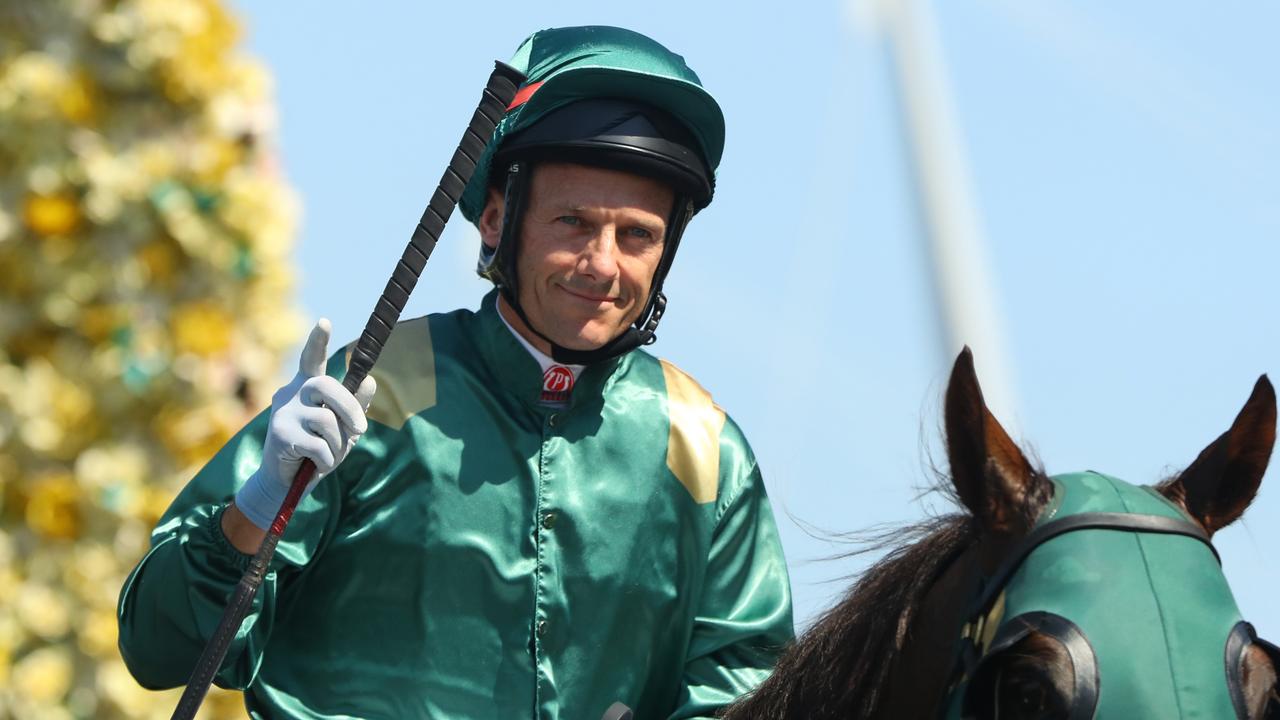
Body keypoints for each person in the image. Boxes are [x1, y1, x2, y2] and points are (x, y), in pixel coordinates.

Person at [118, 25, 794, 719]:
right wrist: (255, 508)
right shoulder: (380, 389)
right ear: (497, 221)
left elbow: (749, 689)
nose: (602, 264)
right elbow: (157, 647)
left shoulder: (705, 446)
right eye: (572, 222)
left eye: (637, 236)